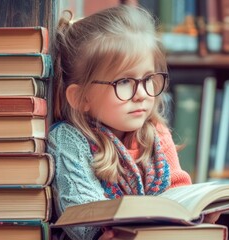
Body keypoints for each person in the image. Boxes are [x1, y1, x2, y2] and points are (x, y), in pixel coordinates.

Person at [49, 5, 219, 240]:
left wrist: (195, 214)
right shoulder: (69, 140)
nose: (142, 94)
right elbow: (84, 221)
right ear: (81, 98)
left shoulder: (155, 132)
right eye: (125, 82)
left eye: (148, 78)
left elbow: (176, 192)